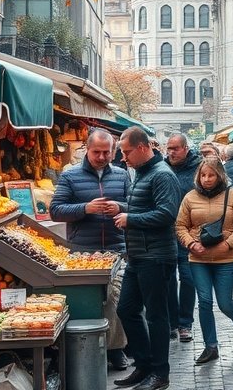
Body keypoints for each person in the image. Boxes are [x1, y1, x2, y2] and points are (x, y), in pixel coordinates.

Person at [49, 129, 131, 371]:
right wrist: (86, 208)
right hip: (82, 253)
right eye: (97, 152)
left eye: (107, 152)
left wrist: (120, 207)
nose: (102, 157)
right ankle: (88, 350)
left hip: (117, 249)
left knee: (114, 300)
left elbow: (134, 205)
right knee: (88, 301)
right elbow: (56, 210)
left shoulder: (122, 175)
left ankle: (115, 349)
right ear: (87, 149)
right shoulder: (70, 176)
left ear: (113, 151)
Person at [112, 126, 181, 390]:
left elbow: (166, 214)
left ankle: (160, 374)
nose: (123, 158)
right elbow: (147, 207)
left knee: (156, 316)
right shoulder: (141, 173)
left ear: (142, 148)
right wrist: (122, 208)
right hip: (139, 255)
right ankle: (143, 365)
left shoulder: (162, 175)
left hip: (156, 256)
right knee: (126, 309)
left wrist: (130, 219)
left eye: (127, 152)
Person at [174, 158, 233, 365]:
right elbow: (180, 226)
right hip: (198, 259)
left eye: (211, 175)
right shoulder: (190, 197)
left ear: (220, 176)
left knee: (225, 303)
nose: (207, 179)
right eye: (203, 175)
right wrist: (191, 244)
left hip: (225, 259)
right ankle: (211, 346)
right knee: (205, 302)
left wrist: (228, 244)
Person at [163, 133, 201, 343]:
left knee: (188, 278)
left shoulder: (199, 168)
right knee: (168, 281)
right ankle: (171, 322)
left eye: (175, 148)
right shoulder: (162, 168)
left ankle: (185, 323)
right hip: (167, 234)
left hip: (190, 234)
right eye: (168, 148)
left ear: (186, 148)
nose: (171, 153)